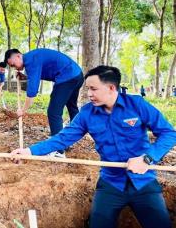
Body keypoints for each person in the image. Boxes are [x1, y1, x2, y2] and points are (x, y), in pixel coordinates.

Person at [11, 65, 176, 228]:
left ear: (111, 88)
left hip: (144, 182)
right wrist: (29, 151)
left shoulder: (137, 105)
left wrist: (147, 159)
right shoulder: (87, 113)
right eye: (87, 88)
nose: (89, 93)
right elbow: (62, 139)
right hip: (111, 183)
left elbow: (169, 133)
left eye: (93, 89)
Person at [4, 48, 83, 157]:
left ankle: (58, 151)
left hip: (67, 76)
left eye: (13, 64)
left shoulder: (30, 61)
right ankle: (70, 138)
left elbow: (32, 92)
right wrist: (25, 77)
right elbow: (35, 76)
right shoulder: (32, 58)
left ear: (18, 56)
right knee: (72, 107)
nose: (15, 67)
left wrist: (23, 110)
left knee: (53, 112)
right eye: (12, 67)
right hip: (77, 74)